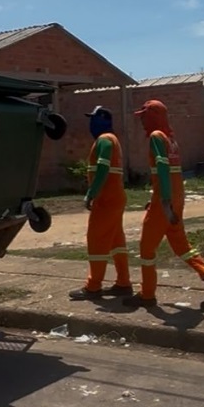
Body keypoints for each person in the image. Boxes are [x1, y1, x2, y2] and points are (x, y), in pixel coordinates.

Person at [124, 100, 204, 311]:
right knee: (181, 246)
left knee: (146, 248)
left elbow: (162, 169)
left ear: (153, 117)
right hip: (176, 197)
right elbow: (170, 173)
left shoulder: (156, 137)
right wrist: (163, 198)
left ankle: (147, 295)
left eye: (144, 116)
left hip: (166, 201)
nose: (142, 121)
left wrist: (163, 202)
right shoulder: (170, 140)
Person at [69, 106, 132, 300]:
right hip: (115, 197)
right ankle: (123, 283)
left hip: (106, 199)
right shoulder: (113, 140)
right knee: (116, 242)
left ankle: (93, 286)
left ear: (103, 121)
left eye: (94, 119)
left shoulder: (104, 139)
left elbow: (103, 168)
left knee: (96, 240)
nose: (91, 123)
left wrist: (91, 193)